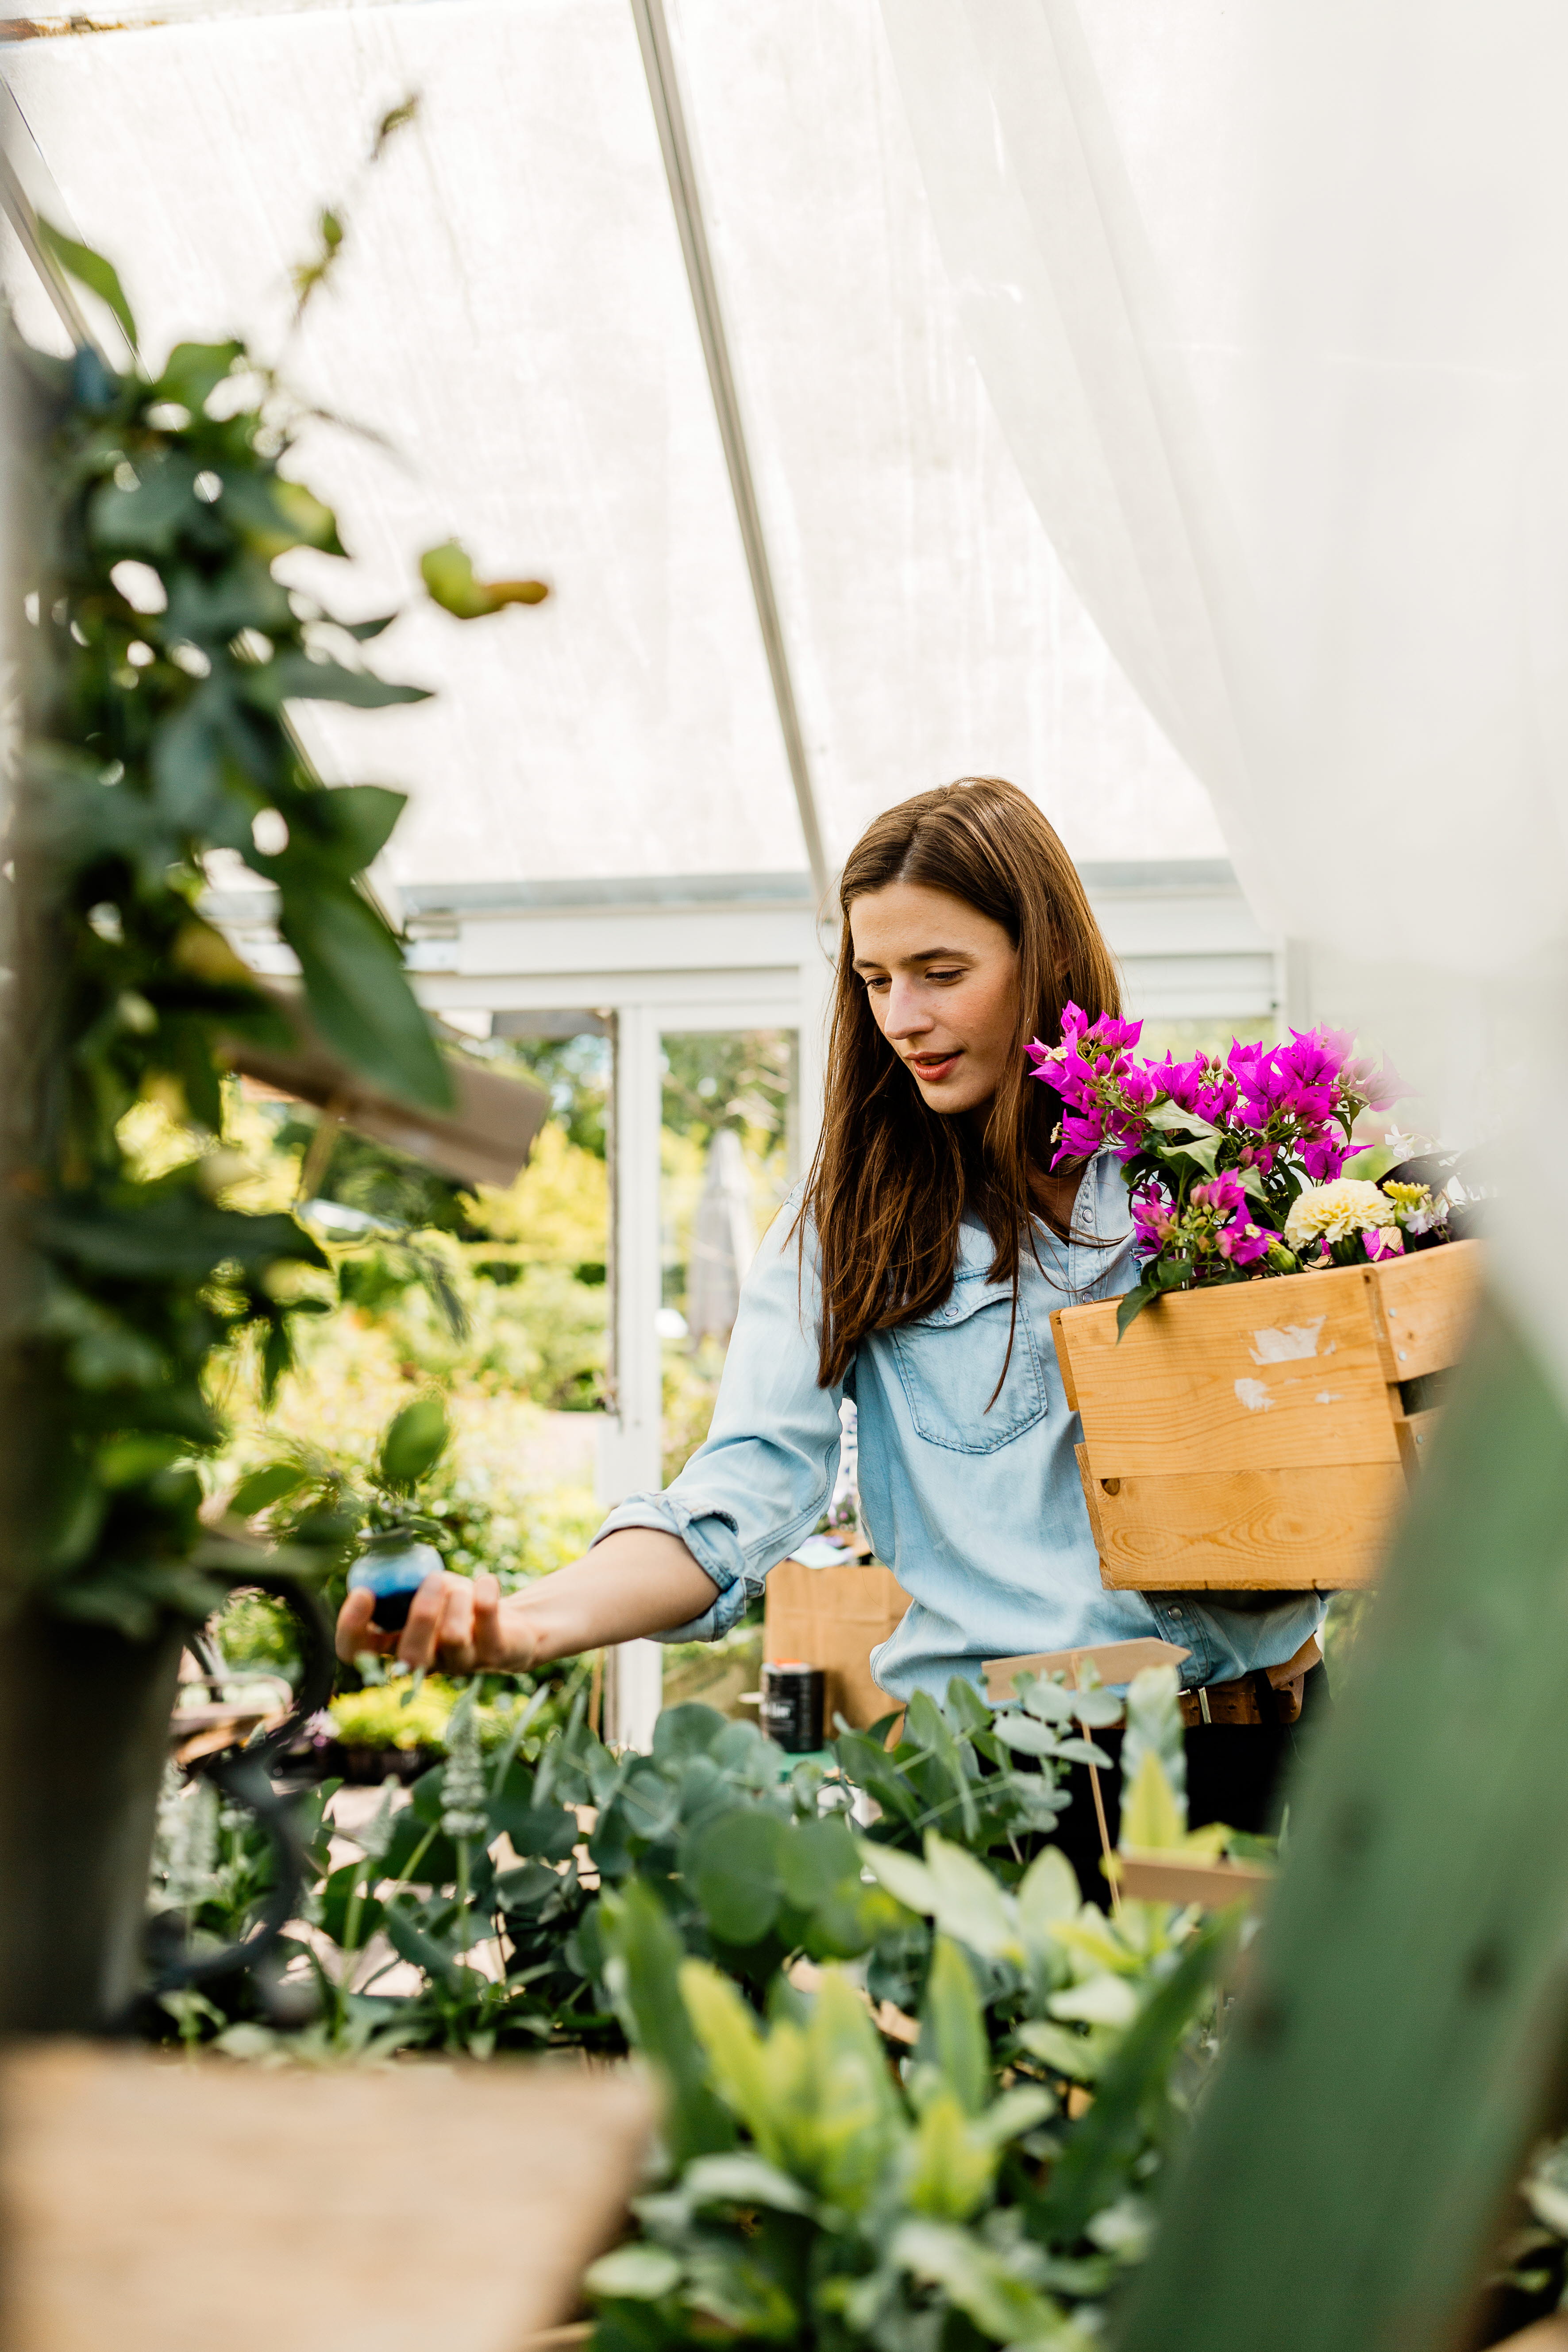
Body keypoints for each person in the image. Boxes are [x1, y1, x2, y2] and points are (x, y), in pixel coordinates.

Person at [336, 778, 1327, 1891]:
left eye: (941, 974)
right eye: (874, 980)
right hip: (1026, 1793)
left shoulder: (1198, 1182)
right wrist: (517, 1624)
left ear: (1043, 960)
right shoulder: (849, 1232)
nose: (901, 1017)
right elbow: (732, 1503)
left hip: (1279, 1753)